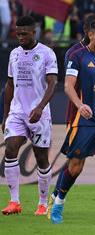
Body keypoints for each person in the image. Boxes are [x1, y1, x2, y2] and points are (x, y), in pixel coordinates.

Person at [50, 18, 95, 224]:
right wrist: (80, 105)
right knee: (75, 166)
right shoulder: (77, 56)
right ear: (90, 34)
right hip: (83, 120)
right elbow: (68, 86)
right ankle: (59, 202)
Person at [1, 15, 58, 215]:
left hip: (39, 114)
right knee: (10, 149)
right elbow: (9, 85)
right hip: (17, 113)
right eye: (18, 33)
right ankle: (14, 201)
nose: (21, 37)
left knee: (41, 159)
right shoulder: (14, 54)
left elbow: (53, 83)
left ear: (35, 32)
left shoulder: (47, 53)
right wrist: (5, 115)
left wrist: (41, 107)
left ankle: (43, 203)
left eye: (25, 33)